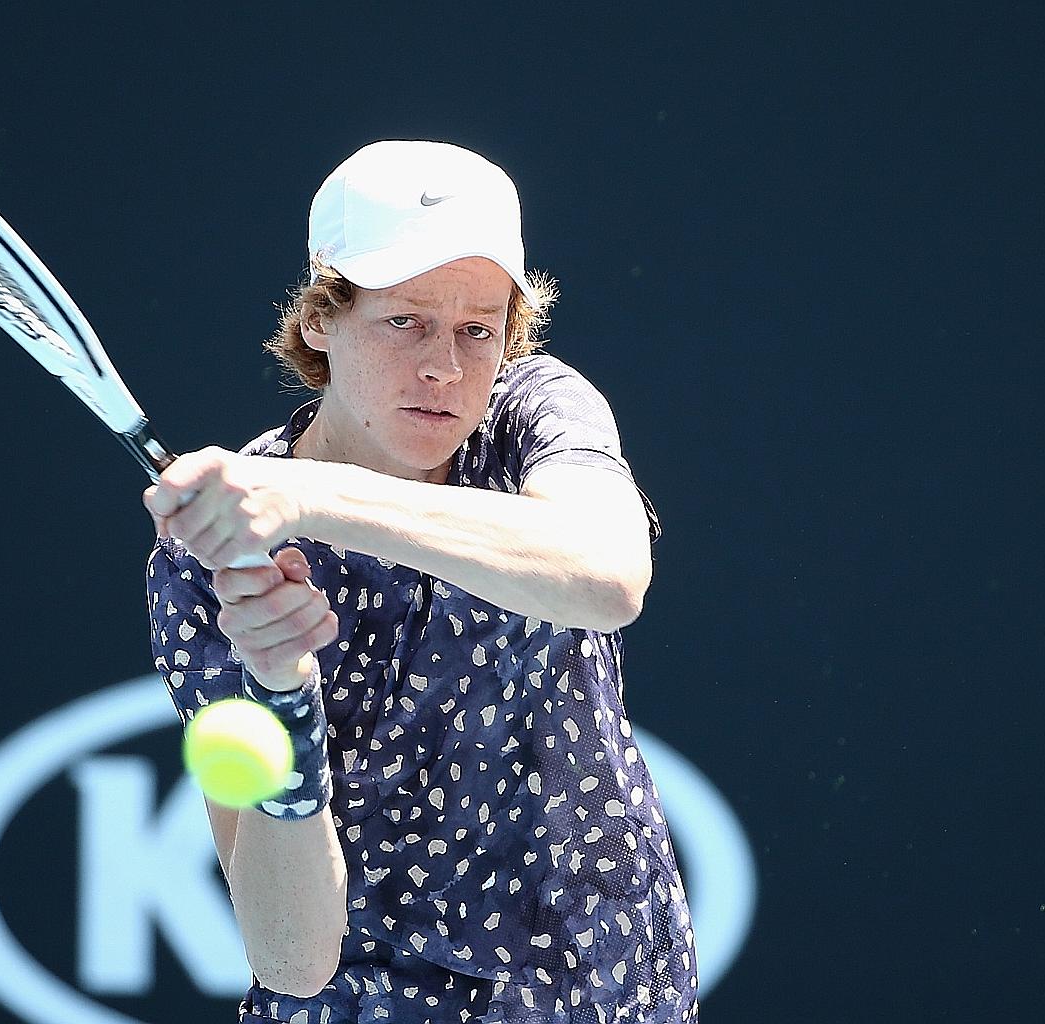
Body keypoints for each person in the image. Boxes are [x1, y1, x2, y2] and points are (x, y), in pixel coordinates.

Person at [145, 140, 698, 1024]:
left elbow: (604, 574)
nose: (444, 366)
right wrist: (281, 688)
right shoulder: (210, 560)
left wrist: (311, 496)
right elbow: (291, 957)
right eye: (405, 320)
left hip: (610, 992)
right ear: (322, 317)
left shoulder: (533, 412)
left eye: (477, 329)